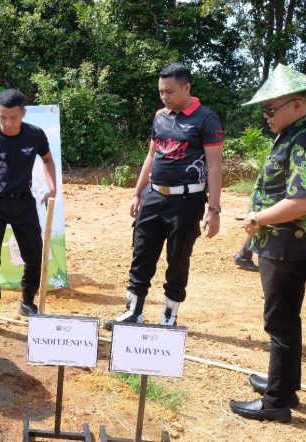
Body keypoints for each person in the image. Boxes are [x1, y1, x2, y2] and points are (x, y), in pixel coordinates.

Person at [104, 63, 224, 330]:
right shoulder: (160, 116)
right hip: (154, 196)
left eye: (169, 92)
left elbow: (215, 166)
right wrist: (137, 193)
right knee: (142, 252)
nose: (164, 97)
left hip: (186, 201)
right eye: (161, 92)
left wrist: (213, 210)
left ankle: (169, 315)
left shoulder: (207, 119)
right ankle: (133, 311)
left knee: (178, 258)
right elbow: (151, 155)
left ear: (187, 87)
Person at [229, 64, 306, 423]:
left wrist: (258, 219)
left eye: (270, 109)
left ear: (298, 104)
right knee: (286, 319)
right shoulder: (293, 133)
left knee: (280, 322)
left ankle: (276, 402)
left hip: (287, 245)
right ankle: (284, 385)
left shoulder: (302, 139)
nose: (266, 116)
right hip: (285, 244)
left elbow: (300, 202)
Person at [0, 88, 56, 338]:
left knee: (35, 256)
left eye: (12, 118)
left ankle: (27, 300)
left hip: (24, 202)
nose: (6, 123)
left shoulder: (34, 136)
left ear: (23, 114)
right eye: (2, 117)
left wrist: (52, 186)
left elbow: (47, 160)